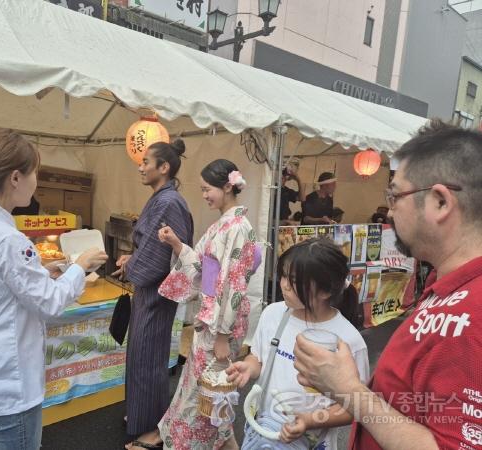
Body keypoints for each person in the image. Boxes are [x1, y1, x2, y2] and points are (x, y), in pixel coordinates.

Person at [293, 120, 482, 449]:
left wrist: (349, 391)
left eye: (394, 196)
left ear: (440, 202)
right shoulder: (447, 284)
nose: (390, 212)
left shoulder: (472, 315)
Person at [0, 128, 108, 450]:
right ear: (15, 178)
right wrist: (80, 265)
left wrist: (47, 269)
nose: (36, 181)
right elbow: (50, 303)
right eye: (35, 173)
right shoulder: (6, 237)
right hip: (8, 384)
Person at [157, 159, 262, 450]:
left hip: (219, 326)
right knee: (210, 397)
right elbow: (206, 269)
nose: (204, 195)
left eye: (207, 189)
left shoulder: (237, 227)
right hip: (212, 322)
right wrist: (178, 244)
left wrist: (223, 336)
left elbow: (233, 284)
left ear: (228, 186)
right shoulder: (225, 224)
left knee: (203, 396)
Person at [226, 238, 368, 449]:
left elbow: (352, 408)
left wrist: (310, 421)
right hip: (262, 433)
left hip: (312, 442)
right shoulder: (273, 314)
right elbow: (258, 357)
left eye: (293, 279)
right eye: (283, 275)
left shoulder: (348, 341)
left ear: (325, 290)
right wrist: (250, 366)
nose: (283, 284)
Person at [115, 140, 194, 450]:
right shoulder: (162, 198)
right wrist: (131, 260)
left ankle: (152, 426)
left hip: (159, 292)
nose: (140, 166)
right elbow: (150, 245)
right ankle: (142, 416)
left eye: (146, 161)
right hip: (151, 288)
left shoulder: (169, 201)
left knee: (148, 356)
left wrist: (134, 263)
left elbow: (161, 252)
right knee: (142, 354)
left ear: (164, 167)